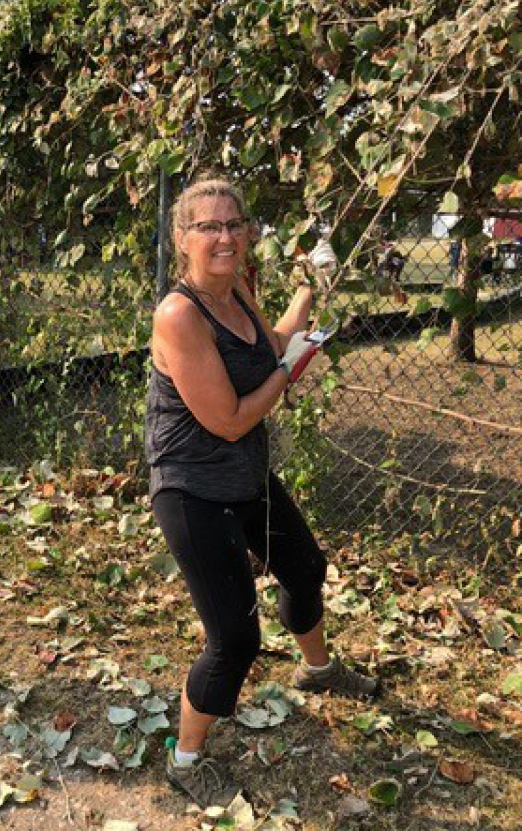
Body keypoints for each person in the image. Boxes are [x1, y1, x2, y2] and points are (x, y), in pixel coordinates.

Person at [145, 177, 378, 808]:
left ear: (248, 234)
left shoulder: (236, 292)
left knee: (305, 569)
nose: (224, 237)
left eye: (234, 225)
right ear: (182, 238)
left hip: (244, 474)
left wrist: (309, 289)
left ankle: (318, 670)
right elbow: (228, 419)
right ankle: (185, 760)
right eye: (208, 227)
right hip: (192, 488)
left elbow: (270, 345)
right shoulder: (179, 314)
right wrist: (292, 368)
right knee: (234, 640)